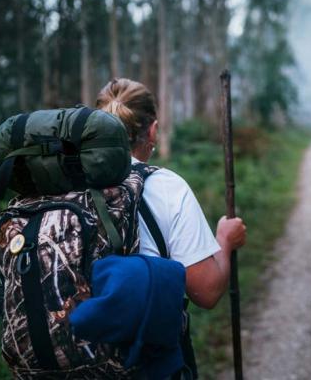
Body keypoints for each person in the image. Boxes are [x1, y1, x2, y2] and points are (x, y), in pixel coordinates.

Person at [95, 77, 247, 310]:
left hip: (76, 342)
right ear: (153, 131)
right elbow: (206, 291)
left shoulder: (71, 183)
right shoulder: (168, 188)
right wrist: (225, 240)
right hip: (146, 342)